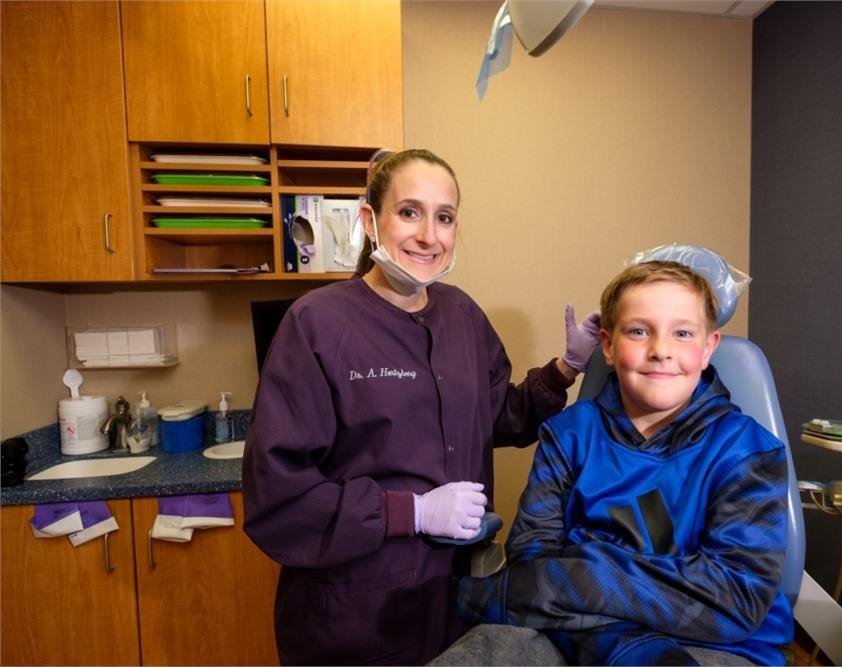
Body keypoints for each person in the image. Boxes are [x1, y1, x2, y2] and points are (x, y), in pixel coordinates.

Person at [241, 148, 600, 666]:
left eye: (444, 217)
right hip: (354, 612)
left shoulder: (462, 316)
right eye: (409, 212)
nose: (429, 235)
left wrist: (566, 368)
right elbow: (277, 496)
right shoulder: (316, 325)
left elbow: (500, 416)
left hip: (451, 603)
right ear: (370, 219)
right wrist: (411, 511)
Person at [454, 260, 793, 666]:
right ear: (608, 346)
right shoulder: (569, 435)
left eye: (682, 333)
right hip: (565, 629)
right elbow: (531, 558)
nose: (661, 350)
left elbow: (734, 599)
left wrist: (584, 573)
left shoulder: (748, 451)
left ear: (707, 348)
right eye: (639, 331)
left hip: (713, 643)